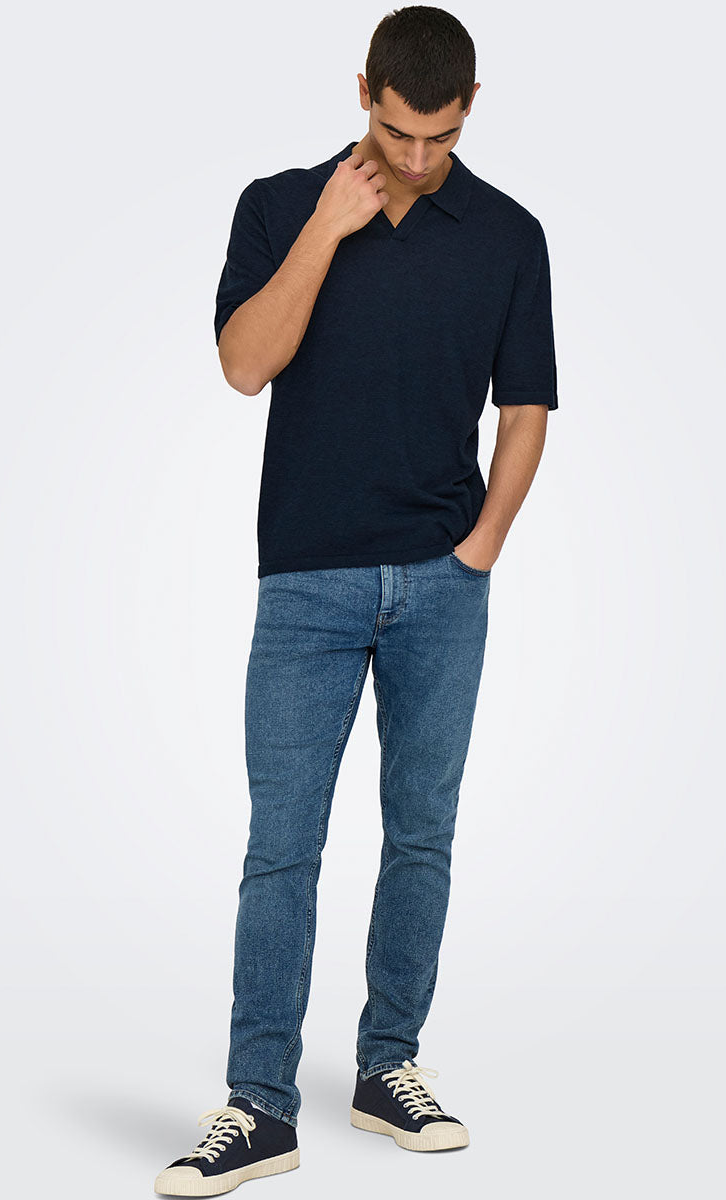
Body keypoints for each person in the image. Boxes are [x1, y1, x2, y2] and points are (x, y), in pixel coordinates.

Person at [155, 5, 558, 1195]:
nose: (417, 158)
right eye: (395, 132)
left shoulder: (509, 235)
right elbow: (244, 366)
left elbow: (525, 406)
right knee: (281, 848)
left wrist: (479, 549)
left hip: (442, 582)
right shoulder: (278, 205)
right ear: (362, 94)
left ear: (469, 109)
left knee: (420, 834)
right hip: (307, 582)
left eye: (439, 136)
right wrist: (328, 228)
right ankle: (258, 1106)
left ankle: (388, 1067)